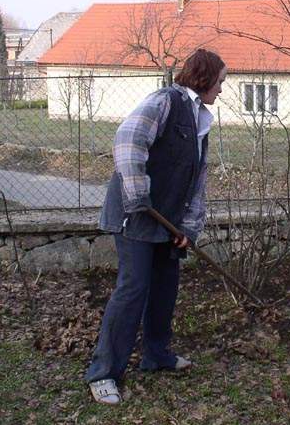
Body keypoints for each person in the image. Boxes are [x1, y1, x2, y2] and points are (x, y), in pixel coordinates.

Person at [85, 48, 227, 405]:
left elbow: (196, 181)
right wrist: (137, 195)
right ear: (205, 77)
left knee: (165, 287)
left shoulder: (200, 118)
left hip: (167, 221)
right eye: (220, 81)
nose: (222, 89)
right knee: (133, 288)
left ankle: (156, 355)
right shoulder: (165, 101)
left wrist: (189, 229)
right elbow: (128, 140)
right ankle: (103, 373)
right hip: (136, 214)